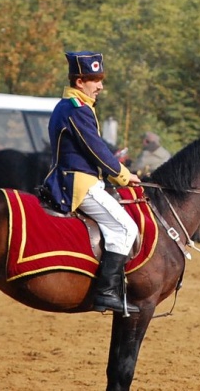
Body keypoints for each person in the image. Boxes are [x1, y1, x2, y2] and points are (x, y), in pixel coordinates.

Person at [43, 51, 142, 314]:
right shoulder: (76, 109)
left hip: (83, 179)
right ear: (79, 82)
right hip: (78, 184)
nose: (100, 86)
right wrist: (122, 175)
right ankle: (107, 292)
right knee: (126, 228)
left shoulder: (74, 107)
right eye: (95, 80)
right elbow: (95, 148)